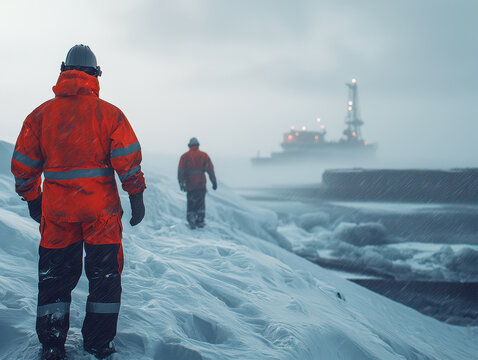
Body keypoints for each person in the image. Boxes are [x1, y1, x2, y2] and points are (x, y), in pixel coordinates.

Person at [11, 44, 146, 360]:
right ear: (96, 75)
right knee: (104, 280)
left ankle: (52, 345)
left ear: (64, 70)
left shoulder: (40, 115)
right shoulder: (110, 114)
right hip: (101, 213)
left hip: (58, 213)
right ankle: (99, 344)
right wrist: (136, 195)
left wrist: (33, 198)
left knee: (55, 280)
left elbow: (23, 164)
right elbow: (127, 160)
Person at [178, 137, 217, 228]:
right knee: (200, 204)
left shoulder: (184, 157)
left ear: (189, 145)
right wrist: (214, 182)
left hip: (190, 185)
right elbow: (210, 170)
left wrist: (181, 183)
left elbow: (181, 172)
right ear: (198, 145)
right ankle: (200, 220)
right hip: (201, 184)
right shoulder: (204, 155)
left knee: (191, 203)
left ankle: (191, 219)